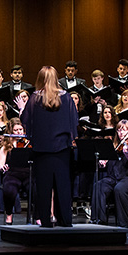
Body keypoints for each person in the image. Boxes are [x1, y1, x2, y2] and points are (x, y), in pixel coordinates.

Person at [21, 66, 78, 227]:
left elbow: (27, 121)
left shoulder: (35, 98)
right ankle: (65, 220)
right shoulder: (66, 97)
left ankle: (45, 221)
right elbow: (74, 121)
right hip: (62, 149)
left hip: (41, 149)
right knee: (63, 185)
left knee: (43, 187)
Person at [92, 120, 128, 229]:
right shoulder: (114, 147)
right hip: (115, 178)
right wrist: (103, 163)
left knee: (120, 188)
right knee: (99, 185)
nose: (121, 133)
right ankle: (100, 220)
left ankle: (124, 224)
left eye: (124, 130)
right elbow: (108, 167)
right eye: (119, 130)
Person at [0, 118, 30, 224]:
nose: (19, 132)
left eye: (21, 129)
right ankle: (9, 214)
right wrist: (2, 167)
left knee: (35, 189)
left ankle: (37, 217)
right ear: (11, 131)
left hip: (27, 173)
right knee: (9, 190)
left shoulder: (28, 144)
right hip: (12, 174)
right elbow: (0, 162)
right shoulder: (6, 146)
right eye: (16, 130)